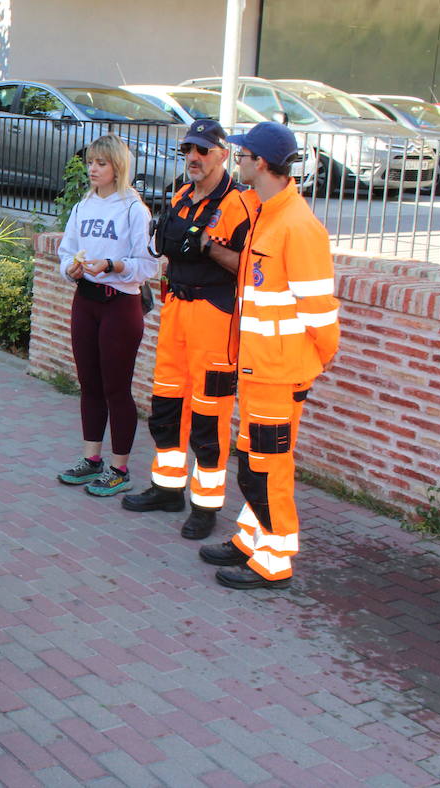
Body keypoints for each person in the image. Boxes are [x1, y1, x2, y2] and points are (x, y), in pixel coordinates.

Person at [198, 122, 339, 589]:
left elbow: (321, 316)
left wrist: (307, 367)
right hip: (260, 370)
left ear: (260, 162)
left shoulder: (297, 225)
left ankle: (274, 560)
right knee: (253, 458)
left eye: (241, 156)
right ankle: (251, 539)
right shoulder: (265, 212)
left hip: (280, 374)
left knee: (268, 466)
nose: (235, 161)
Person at [121, 119, 255, 541]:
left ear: (222, 153)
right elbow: (166, 246)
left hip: (214, 316)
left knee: (208, 416)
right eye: (187, 151)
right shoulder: (180, 195)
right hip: (176, 310)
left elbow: (250, 269)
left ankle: (205, 506)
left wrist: (209, 247)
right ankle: (167, 488)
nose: (193, 158)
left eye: (201, 150)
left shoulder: (240, 203)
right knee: (166, 406)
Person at [56, 135, 159, 497]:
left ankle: (120, 467)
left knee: (117, 388)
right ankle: (92, 459)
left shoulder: (134, 209)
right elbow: (66, 250)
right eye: (90, 163)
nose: (92, 169)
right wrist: (71, 267)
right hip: (86, 300)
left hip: (120, 304)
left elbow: (147, 265)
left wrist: (112, 265)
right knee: (90, 384)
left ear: (117, 166)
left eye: (101, 163)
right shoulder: (83, 205)